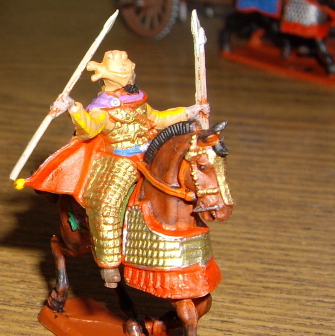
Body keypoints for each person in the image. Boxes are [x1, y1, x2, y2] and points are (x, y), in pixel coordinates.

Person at [26, 50, 207, 287]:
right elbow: (88, 130)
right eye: (127, 72)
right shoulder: (101, 109)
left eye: (130, 71)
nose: (132, 75)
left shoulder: (137, 99)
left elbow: (158, 119)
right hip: (120, 160)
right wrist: (73, 108)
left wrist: (188, 112)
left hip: (151, 152)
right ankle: (109, 263)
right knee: (106, 203)